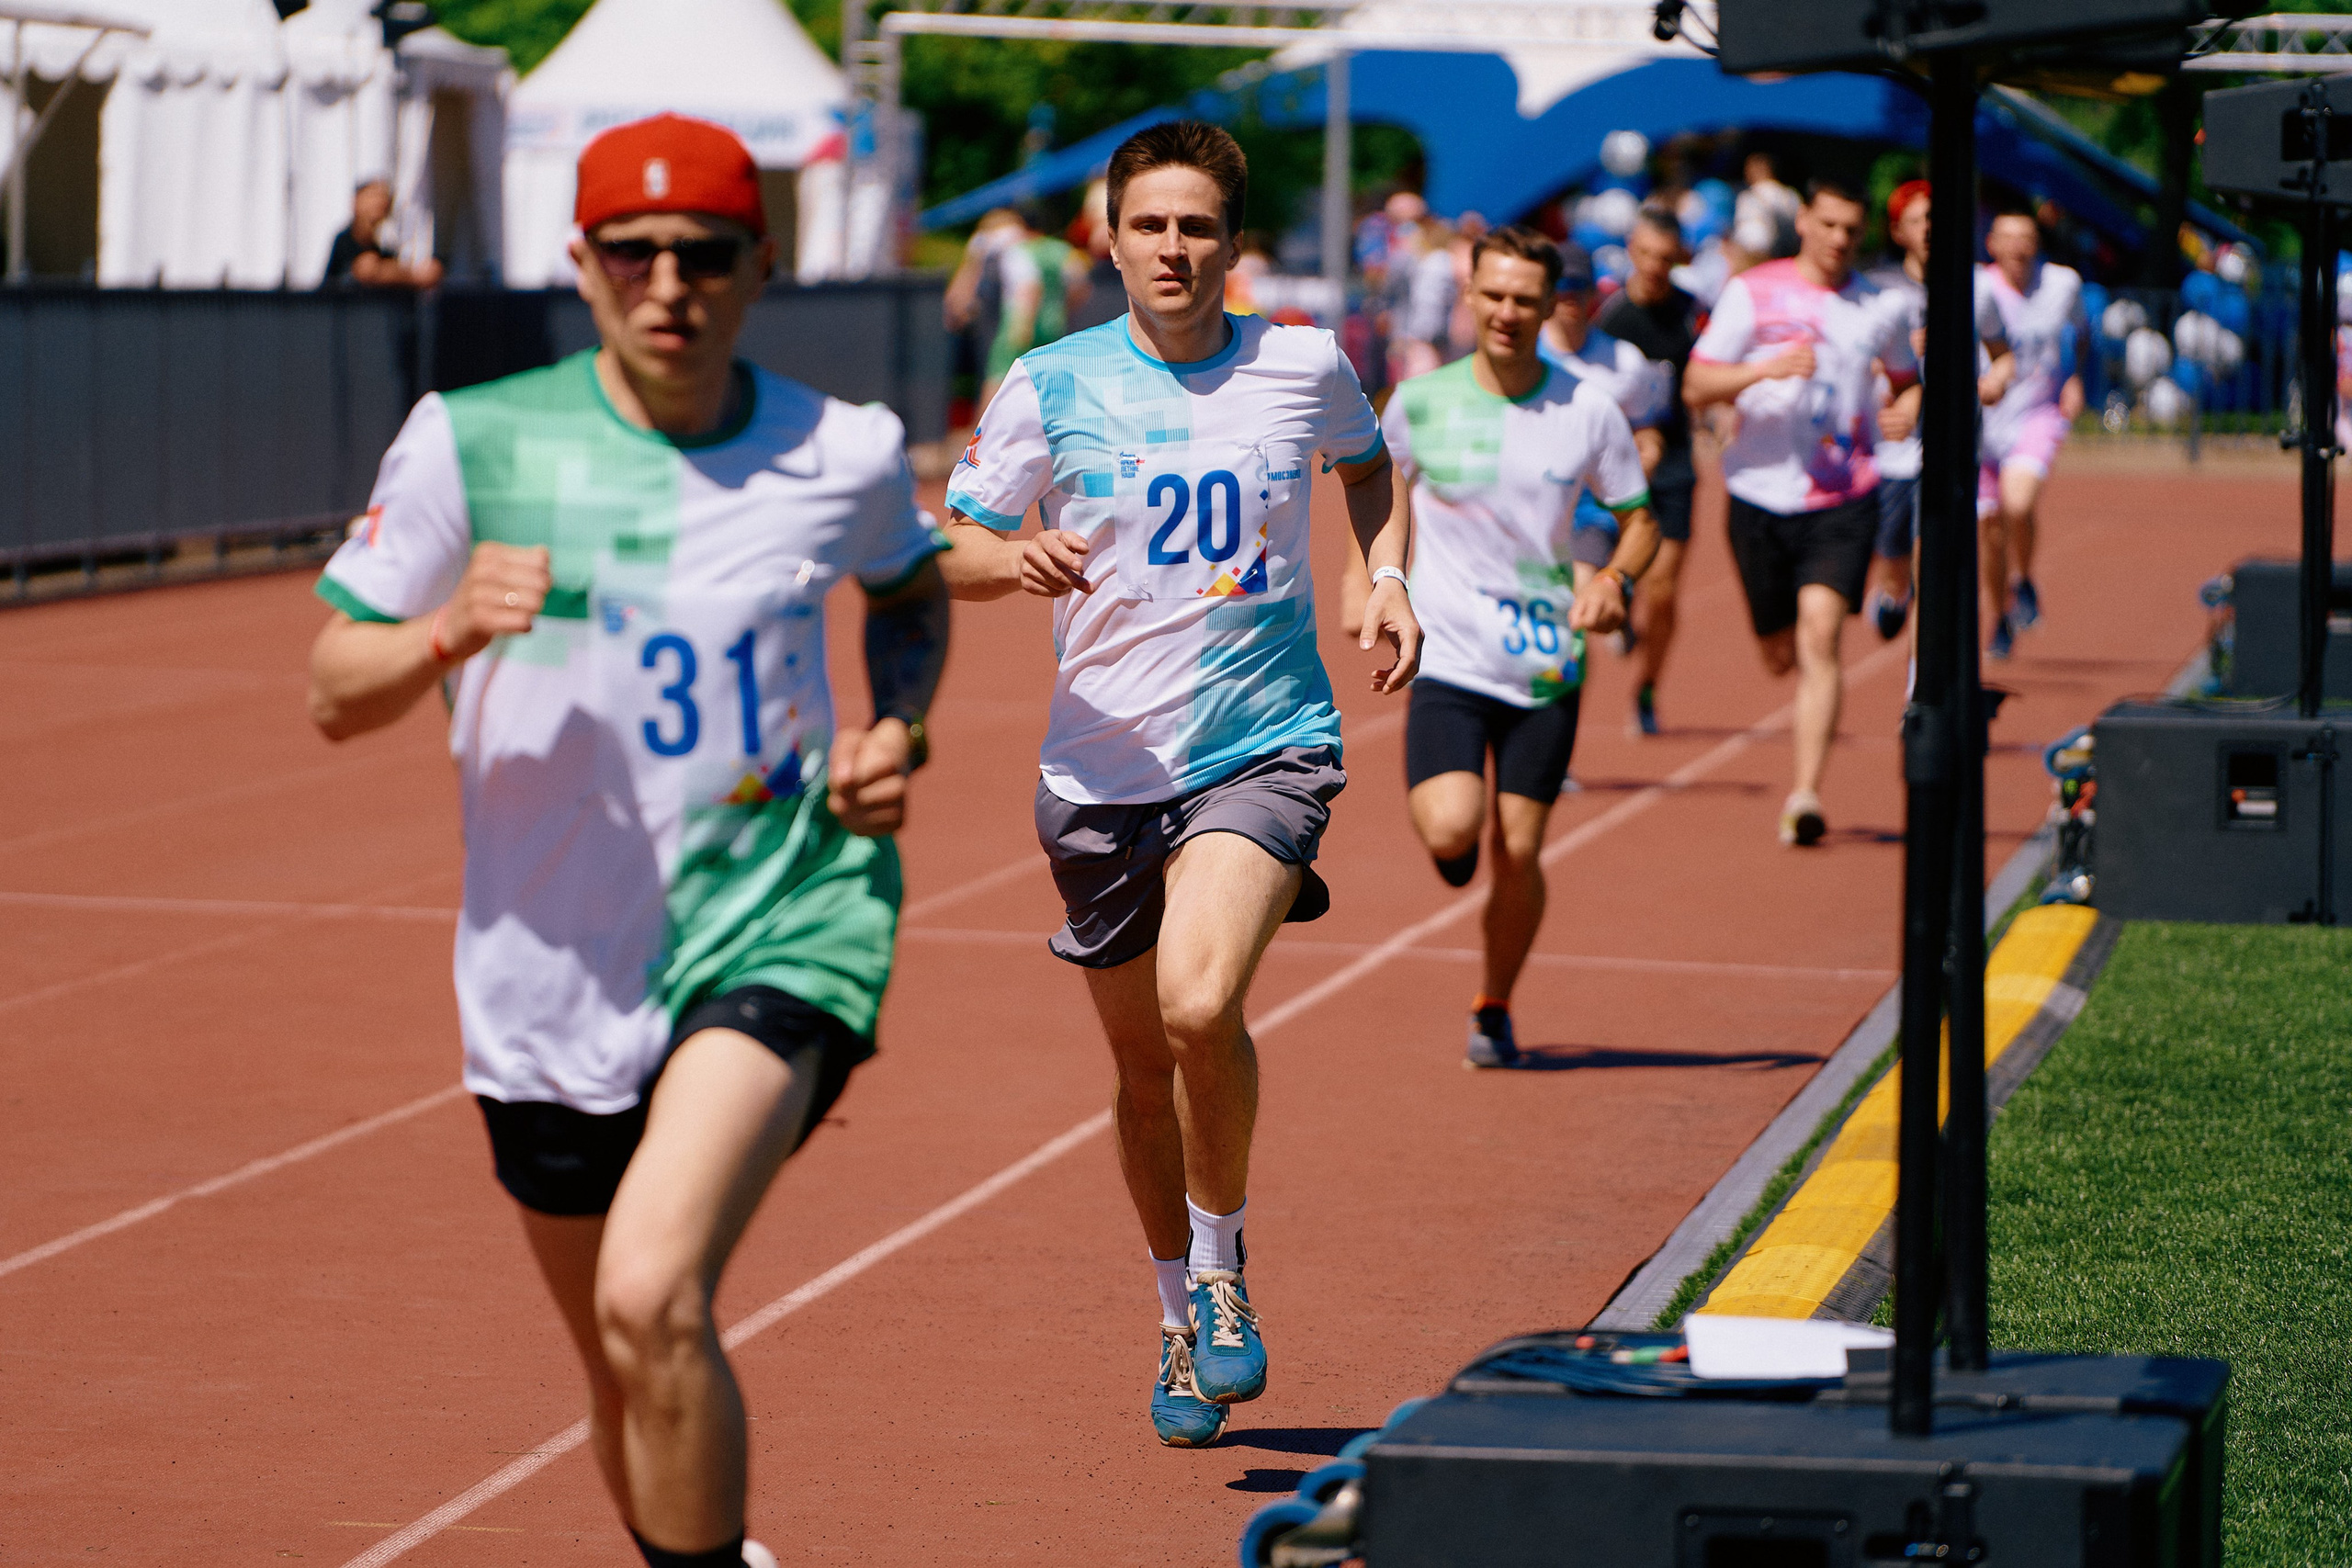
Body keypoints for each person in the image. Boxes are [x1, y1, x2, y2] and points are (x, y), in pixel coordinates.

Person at [304, 114, 949, 1568]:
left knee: (654, 1294)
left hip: (783, 913)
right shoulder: (476, 440)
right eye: (636, 254)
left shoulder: (834, 450)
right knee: (622, 1363)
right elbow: (331, 691)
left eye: (705, 255)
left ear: (759, 269)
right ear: (582, 265)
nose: (672, 284)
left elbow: (908, 592)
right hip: (545, 970)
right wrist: (444, 627)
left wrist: (895, 732)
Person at [936, 119, 1418, 1450]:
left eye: (1197, 226)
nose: (1173, 247)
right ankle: (1169, 1305)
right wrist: (1011, 556)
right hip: (1097, 769)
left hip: (1263, 742)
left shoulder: (1302, 363)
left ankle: (1221, 1270)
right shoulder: (1049, 381)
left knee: (1200, 1002)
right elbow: (951, 547)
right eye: (1149, 223)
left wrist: (1383, 573)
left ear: (1231, 243)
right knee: (1143, 1068)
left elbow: (1370, 469)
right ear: (1109, 234)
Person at [1386, 225, 1659, 1067]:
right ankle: (1454, 840)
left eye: (1526, 300)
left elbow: (1640, 521)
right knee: (1452, 830)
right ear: (1469, 296)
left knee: (1524, 848)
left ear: (1552, 307)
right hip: (1452, 653)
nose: (1507, 312)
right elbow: (1384, 502)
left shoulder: (1586, 408)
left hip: (1546, 660)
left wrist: (1614, 580)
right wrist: (1384, 584)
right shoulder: (1419, 402)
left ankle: (1494, 1003)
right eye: (1493, 295)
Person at [1684, 178, 1916, 847]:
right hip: (1757, 495)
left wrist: (1906, 409)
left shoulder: (1883, 305)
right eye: (1830, 224)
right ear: (1806, 221)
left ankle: (1806, 793)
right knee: (1780, 652)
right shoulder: (1753, 291)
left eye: (1852, 228)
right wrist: (1764, 372)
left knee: (1822, 636)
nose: (1841, 239)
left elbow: (1905, 381)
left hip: (1843, 495)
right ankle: (1778, 654)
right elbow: (1697, 383)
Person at [1597, 208, 1710, 732]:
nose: (1655, 267)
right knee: (1620, 580)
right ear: (1630, 251)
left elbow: (1710, 373)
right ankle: (1620, 602)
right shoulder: (1611, 320)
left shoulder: (1693, 312)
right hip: (1618, 465)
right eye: (1645, 255)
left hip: (1676, 464)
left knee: (1662, 590)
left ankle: (1646, 689)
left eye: (1666, 258)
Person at [1973, 206, 2087, 660]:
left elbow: (2082, 331)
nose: (2018, 246)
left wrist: (2075, 377)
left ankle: (2023, 579)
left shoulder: (2062, 284)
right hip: (1983, 420)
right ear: (1992, 245)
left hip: (2036, 411)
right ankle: (1999, 613)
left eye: (2026, 237)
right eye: (2008, 237)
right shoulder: (1977, 287)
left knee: (2017, 503)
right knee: (1989, 529)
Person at [1862, 180, 1931, 642]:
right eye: (1919, 220)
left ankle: (1921, 684)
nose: (1930, 228)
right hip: (1893, 440)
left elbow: (2000, 348)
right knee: (1891, 547)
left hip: (1946, 438)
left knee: (1934, 555)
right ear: (1898, 231)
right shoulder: (1879, 289)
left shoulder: (1972, 284)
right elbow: (1859, 351)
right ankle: (1893, 588)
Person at [323, 178, 445, 289]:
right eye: (372, 196)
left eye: (384, 196)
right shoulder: (346, 240)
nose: (380, 202)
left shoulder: (384, 243)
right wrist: (414, 277)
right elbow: (366, 271)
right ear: (356, 202)